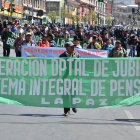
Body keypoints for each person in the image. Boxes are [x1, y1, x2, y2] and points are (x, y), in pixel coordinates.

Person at [59, 42, 80, 116]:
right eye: (71, 47)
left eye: (73, 47)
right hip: (65, 78)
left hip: (74, 77)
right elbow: (60, 68)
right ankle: (66, 110)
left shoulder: (77, 55)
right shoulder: (61, 56)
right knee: (65, 94)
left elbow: (80, 65)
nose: (73, 48)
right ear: (67, 48)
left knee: (73, 93)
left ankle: (74, 106)